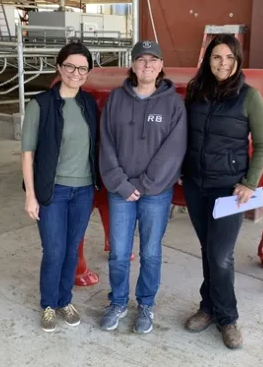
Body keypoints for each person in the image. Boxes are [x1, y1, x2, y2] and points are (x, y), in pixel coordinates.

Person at [181, 34, 263, 350]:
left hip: (229, 189)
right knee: (208, 250)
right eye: (217, 57)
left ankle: (227, 317)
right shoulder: (195, 92)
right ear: (208, 60)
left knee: (220, 256)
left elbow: (262, 146)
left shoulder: (249, 97)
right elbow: (185, 135)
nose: (223, 64)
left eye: (229, 58)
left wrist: (250, 182)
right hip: (195, 184)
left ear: (237, 61)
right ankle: (208, 307)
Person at [98, 40, 187, 334]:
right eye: (141, 60)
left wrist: (147, 184)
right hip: (120, 191)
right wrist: (121, 183)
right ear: (133, 65)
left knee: (150, 252)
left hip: (156, 193)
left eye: (153, 60)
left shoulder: (173, 104)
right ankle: (118, 302)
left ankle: (146, 304)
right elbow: (106, 143)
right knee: (119, 252)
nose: (147, 65)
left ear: (161, 66)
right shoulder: (116, 100)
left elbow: (174, 150)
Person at [21, 41, 99, 333]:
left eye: (82, 68)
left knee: (71, 250)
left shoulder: (88, 103)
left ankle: (65, 300)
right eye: (70, 66)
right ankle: (48, 306)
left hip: (84, 191)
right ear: (59, 68)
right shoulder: (40, 104)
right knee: (53, 250)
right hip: (53, 191)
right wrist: (31, 196)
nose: (75, 73)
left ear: (87, 72)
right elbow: (28, 153)